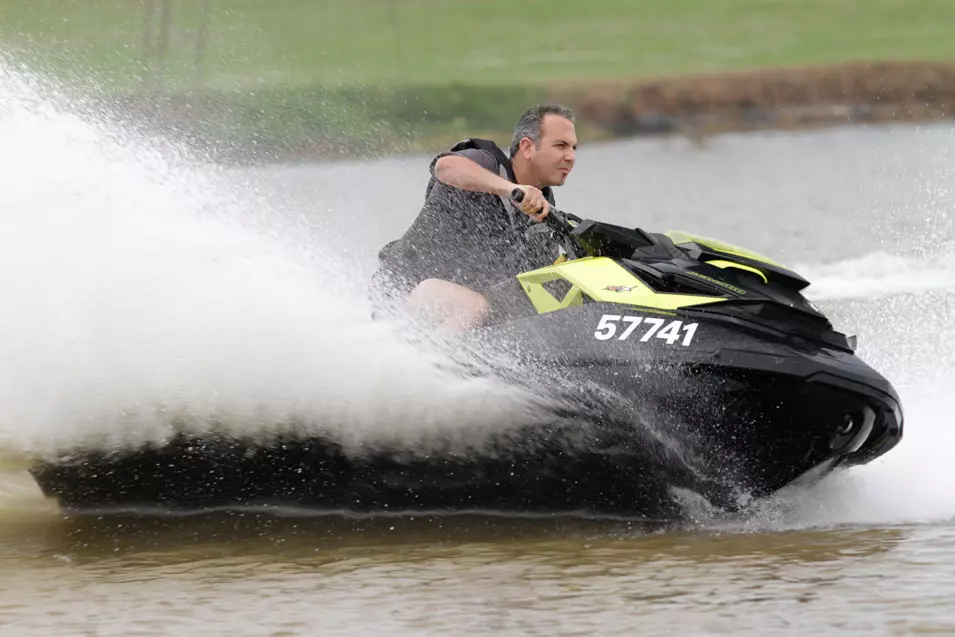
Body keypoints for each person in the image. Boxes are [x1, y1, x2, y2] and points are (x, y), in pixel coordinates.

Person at [371, 104, 578, 330]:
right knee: (476, 308)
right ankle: (427, 365)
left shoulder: (543, 206)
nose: (571, 157)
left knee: (515, 317)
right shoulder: (486, 162)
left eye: (574, 148)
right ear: (527, 147)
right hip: (401, 290)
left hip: (452, 308)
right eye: (561, 146)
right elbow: (445, 167)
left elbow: (538, 279)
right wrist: (511, 190)